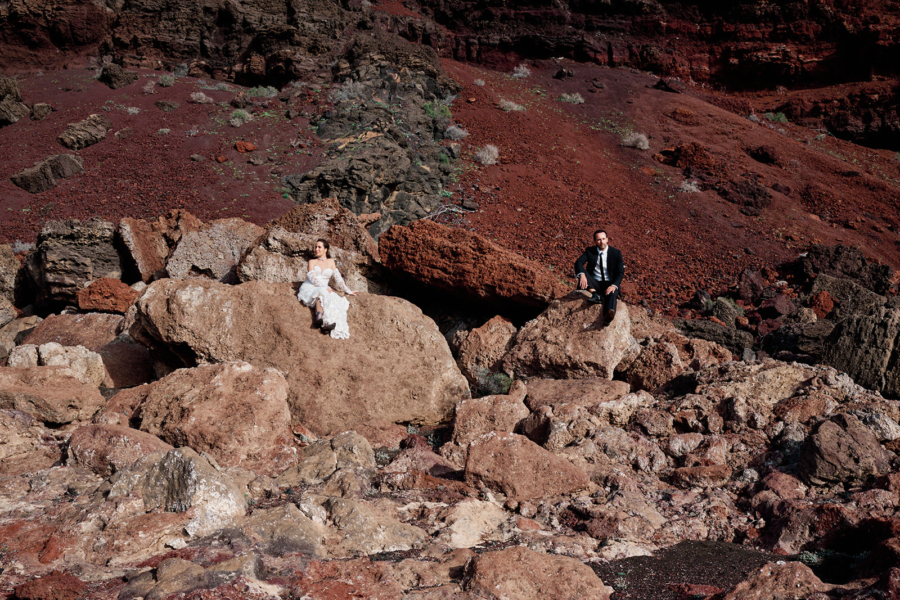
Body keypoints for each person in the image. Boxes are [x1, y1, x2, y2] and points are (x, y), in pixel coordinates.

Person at [297, 239, 357, 339]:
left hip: (325, 289)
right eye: (315, 247)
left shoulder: (331, 262)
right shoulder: (312, 261)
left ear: (325, 249)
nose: (316, 249)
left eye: (319, 247)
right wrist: (325, 287)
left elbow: (338, 278)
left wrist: (348, 291)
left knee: (330, 301)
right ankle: (321, 320)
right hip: (311, 287)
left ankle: (322, 323)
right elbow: (312, 278)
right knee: (321, 292)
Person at [574, 229, 624, 323]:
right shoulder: (590, 251)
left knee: (612, 294)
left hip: (609, 283)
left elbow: (620, 273)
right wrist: (582, 275)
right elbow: (578, 263)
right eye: (599, 240)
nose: (602, 242)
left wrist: (614, 285)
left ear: (607, 239)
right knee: (582, 271)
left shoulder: (616, 253)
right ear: (595, 241)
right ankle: (595, 295)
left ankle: (608, 316)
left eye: (603, 239)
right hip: (594, 283)